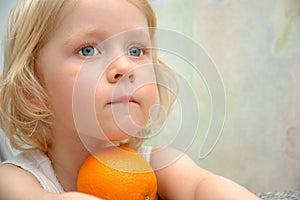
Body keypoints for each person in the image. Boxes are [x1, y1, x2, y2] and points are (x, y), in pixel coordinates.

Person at [0, 0, 259, 199]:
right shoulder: (16, 179)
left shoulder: (159, 164)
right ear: (31, 90)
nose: (124, 66)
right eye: (88, 50)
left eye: (136, 51)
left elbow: (200, 188)